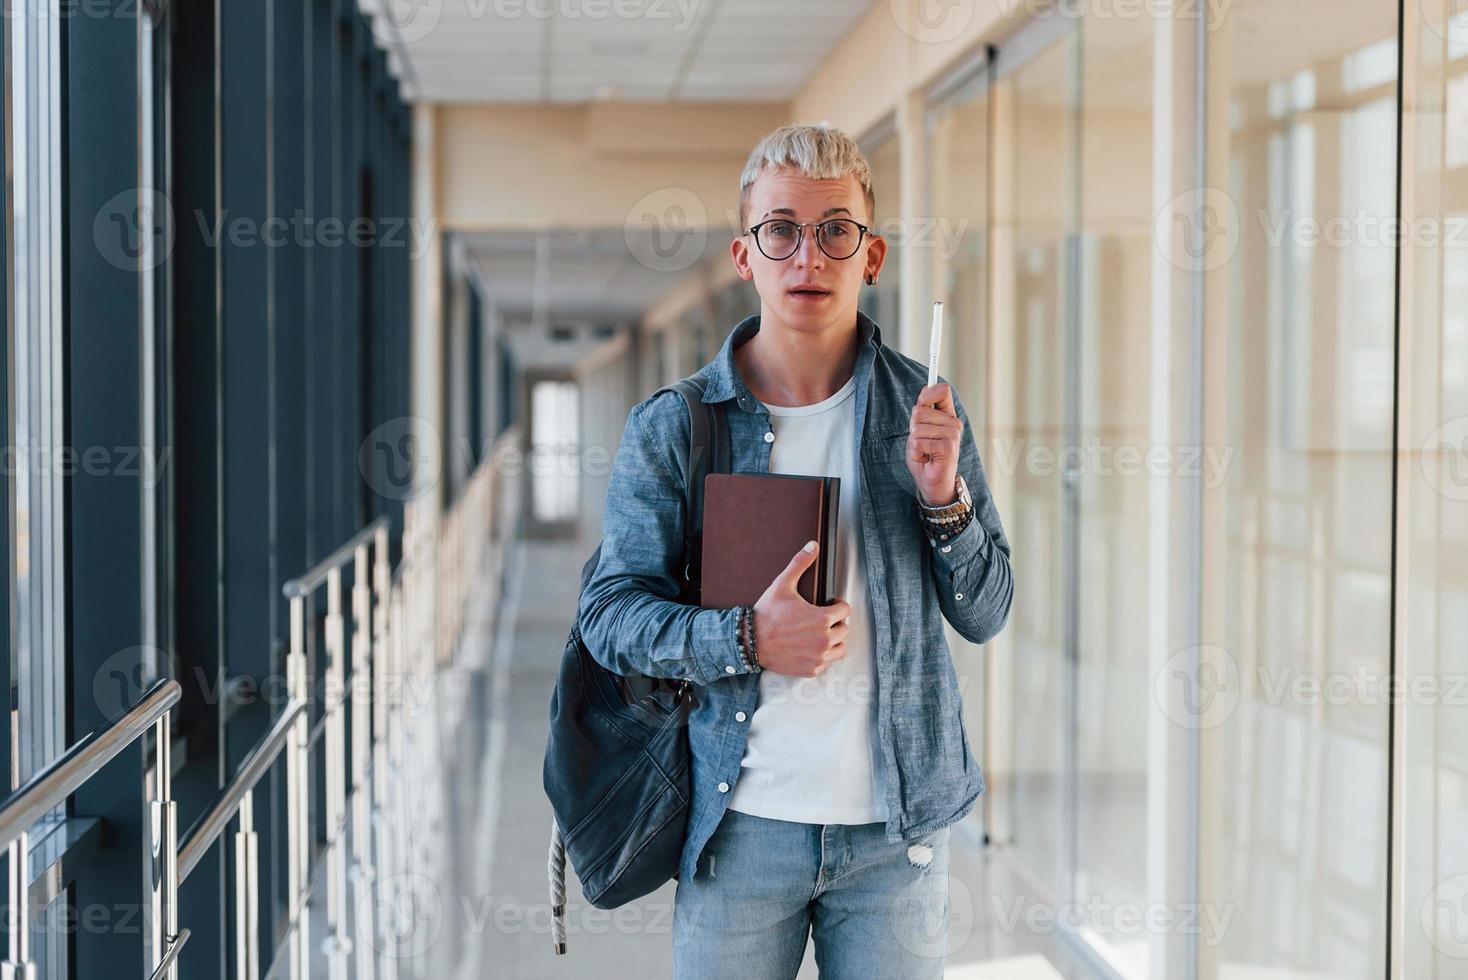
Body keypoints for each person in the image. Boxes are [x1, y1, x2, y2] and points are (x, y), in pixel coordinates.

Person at [577, 123, 1014, 979]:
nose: (807, 255)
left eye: (834, 230)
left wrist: (943, 499)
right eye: (781, 230)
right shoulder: (678, 425)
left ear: (871, 254)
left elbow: (986, 612)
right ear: (746, 254)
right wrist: (746, 637)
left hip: (898, 840)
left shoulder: (924, 411)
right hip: (737, 835)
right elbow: (609, 616)